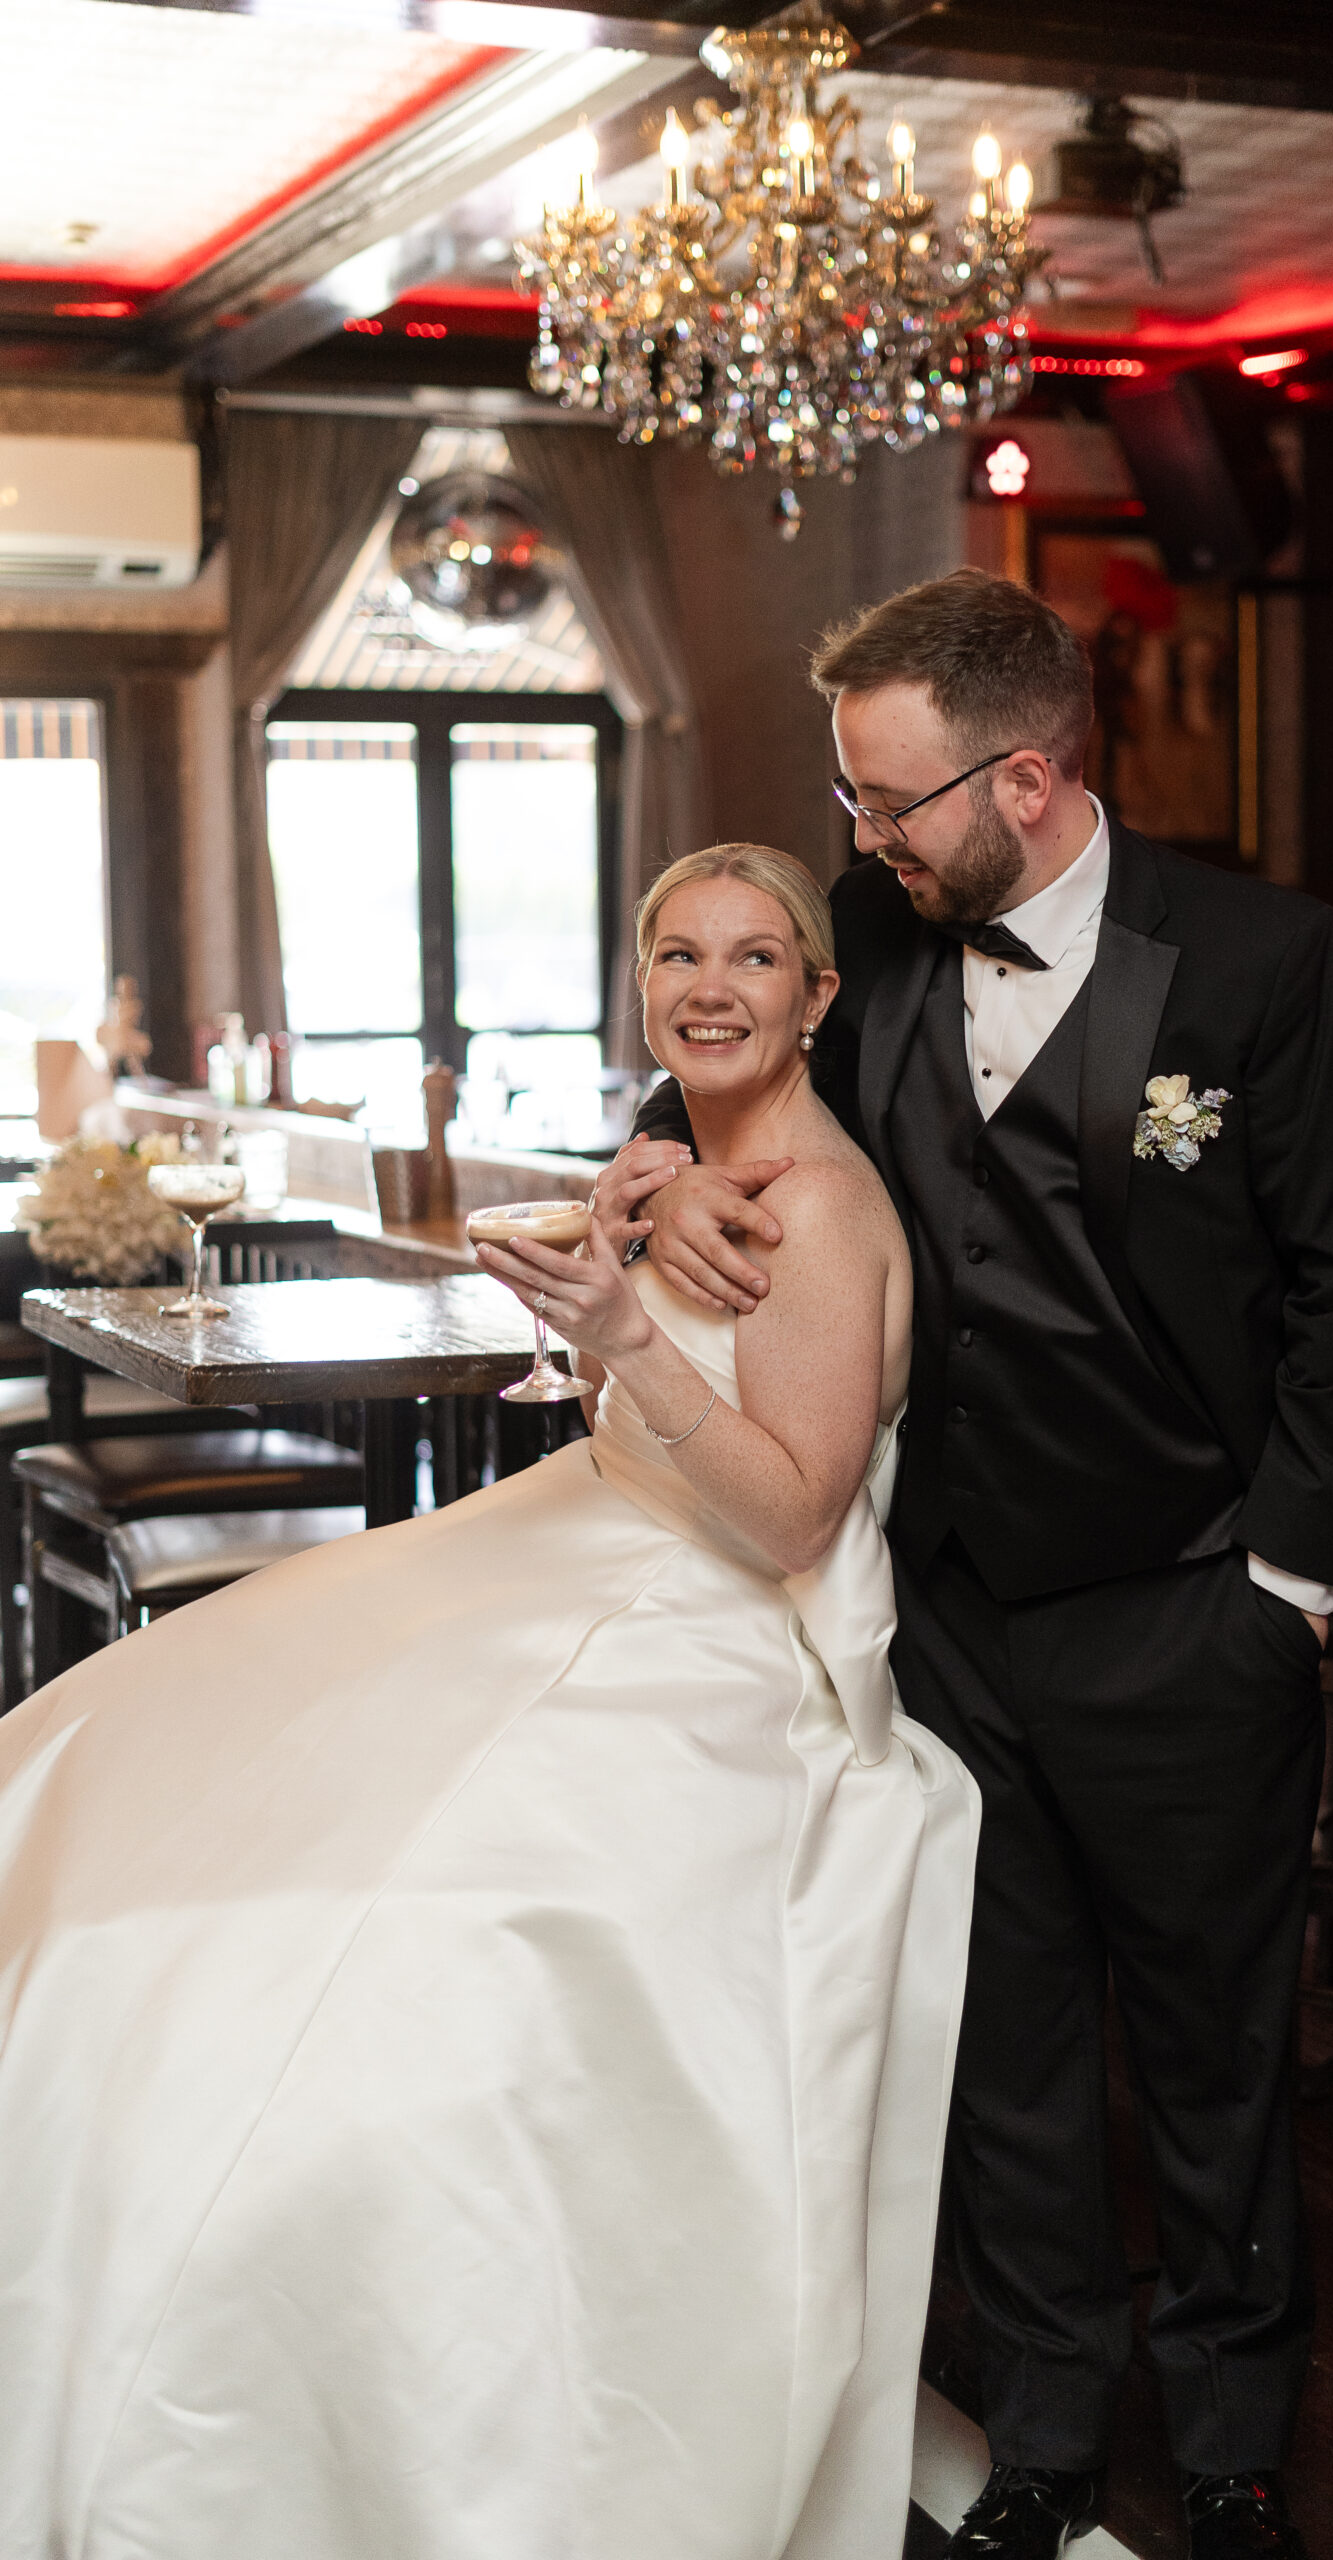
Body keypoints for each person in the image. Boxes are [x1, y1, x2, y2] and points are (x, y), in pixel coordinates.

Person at [0, 845, 978, 2560]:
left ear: (820, 996)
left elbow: (797, 1515)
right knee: (182, 1709)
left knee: (397, 1887)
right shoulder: (679, 1157)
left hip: (725, 1622)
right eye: (679, 954)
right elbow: (610, 1375)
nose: (711, 988)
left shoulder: (819, 1208)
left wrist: (626, 1332)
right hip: (581, 1535)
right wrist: (618, 1240)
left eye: (758, 959)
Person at [607, 571, 1333, 2560]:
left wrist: (1285, 1586)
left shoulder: (1255, 955)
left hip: (1185, 1596)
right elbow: (694, 1086)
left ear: (1034, 774)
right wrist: (645, 1183)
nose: (862, 841)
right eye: (852, 800)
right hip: (951, 1605)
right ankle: (1049, 2428)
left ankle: (1231, 2439)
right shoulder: (882, 944)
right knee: (1003, 2043)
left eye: (890, 803)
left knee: (1215, 2047)